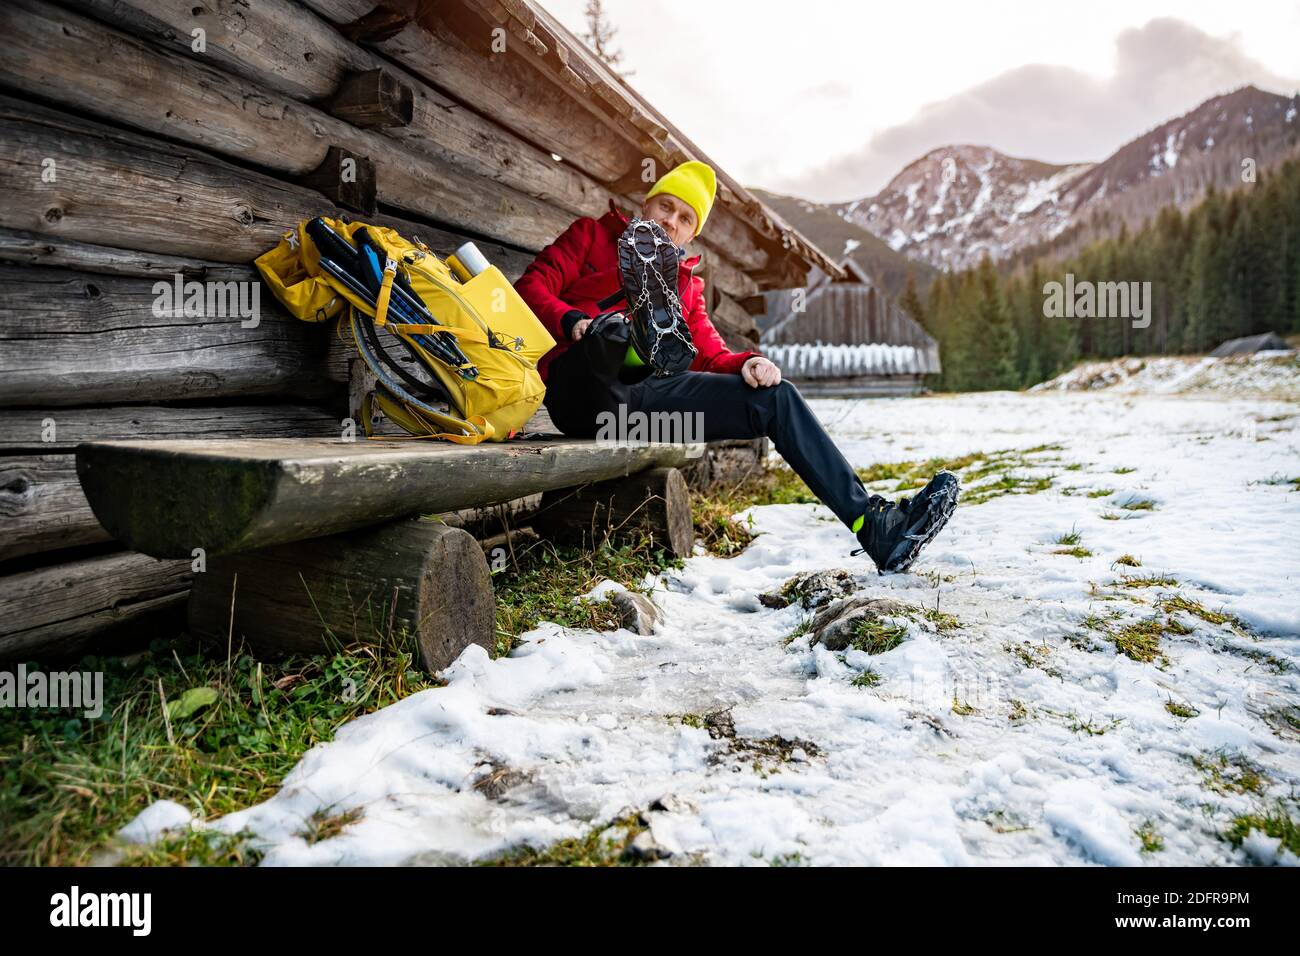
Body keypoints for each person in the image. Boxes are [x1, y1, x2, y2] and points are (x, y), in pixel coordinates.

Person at [514, 161, 957, 572]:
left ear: (690, 236)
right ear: (645, 205)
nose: (671, 220)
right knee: (611, 336)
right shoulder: (592, 235)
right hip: (581, 390)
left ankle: (873, 526)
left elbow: (711, 353)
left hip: (638, 409)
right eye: (665, 206)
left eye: (685, 218)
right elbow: (532, 285)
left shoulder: (689, 286)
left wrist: (750, 363)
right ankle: (627, 330)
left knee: (776, 398)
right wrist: (573, 321)